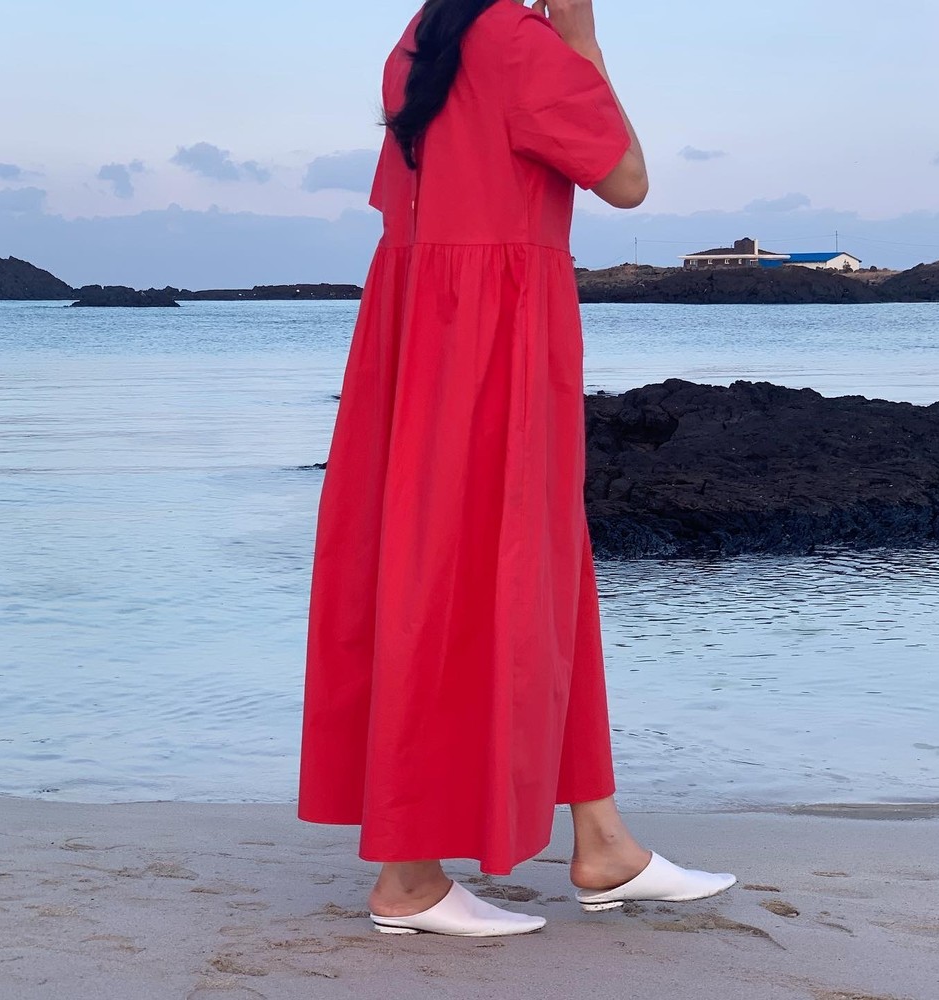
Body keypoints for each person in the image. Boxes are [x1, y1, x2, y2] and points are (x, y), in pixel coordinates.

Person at [298, 0, 736, 937]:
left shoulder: (422, 37)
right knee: (456, 577)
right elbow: (627, 180)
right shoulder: (519, 43)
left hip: (421, 329)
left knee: (518, 573)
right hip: (491, 336)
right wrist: (583, 41)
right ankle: (408, 879)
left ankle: (602, 843)